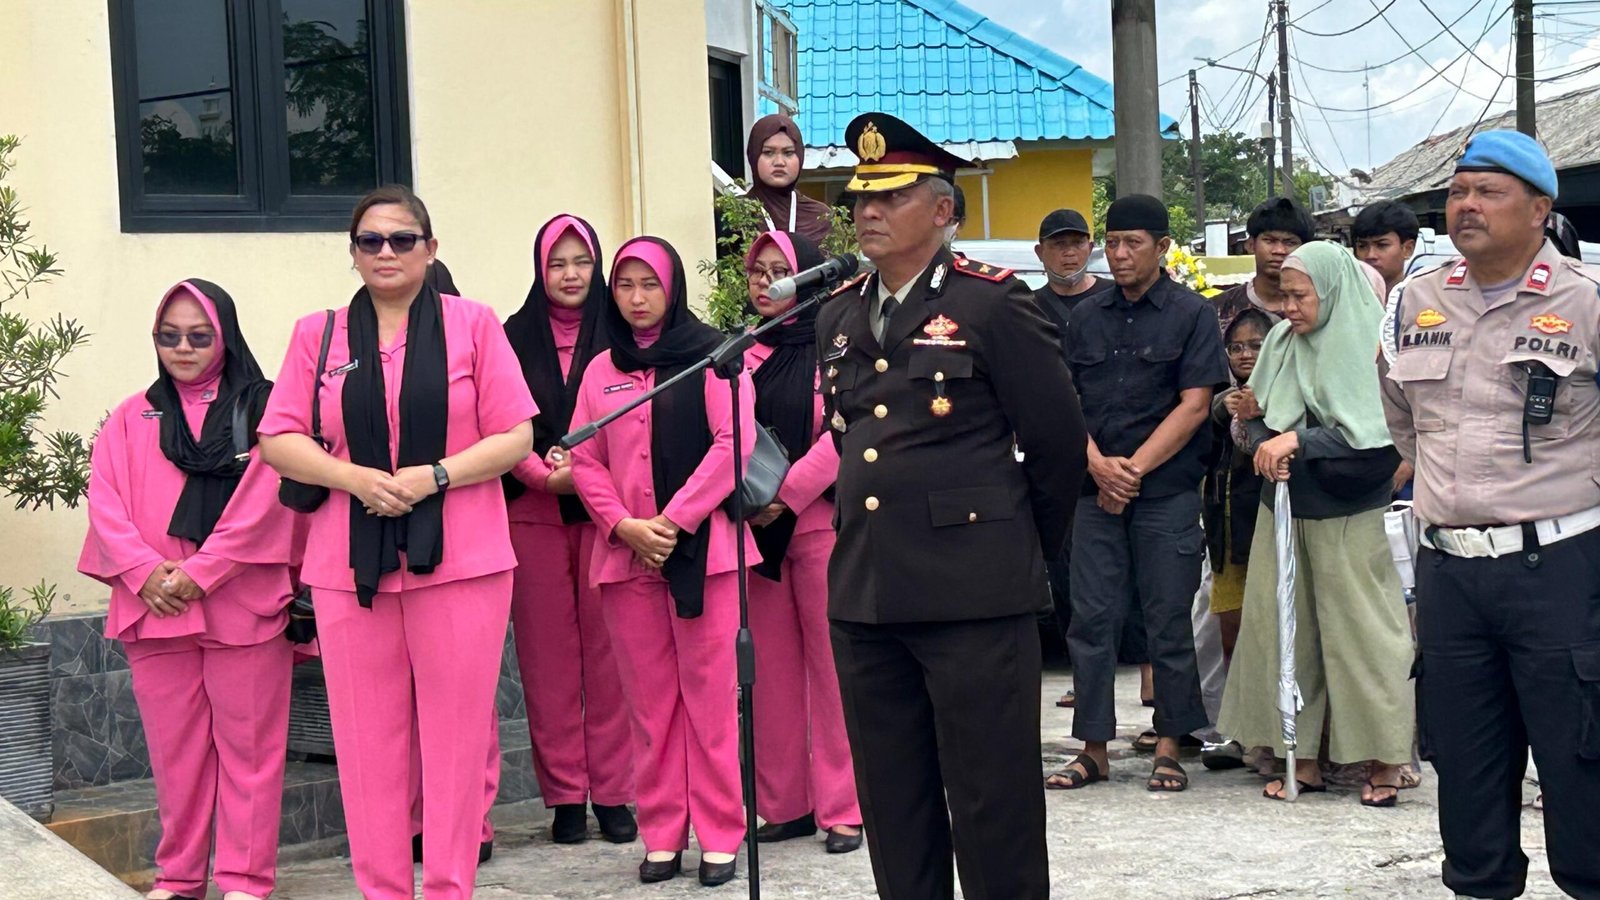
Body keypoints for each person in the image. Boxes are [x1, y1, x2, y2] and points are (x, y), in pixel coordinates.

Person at [817, 112, 1086, 900]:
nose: (867, 211)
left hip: (974, 597)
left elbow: (1057, 446)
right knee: (894, 811)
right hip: (868, 596)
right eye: (860, 197)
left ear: (942, 210)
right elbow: (851, 442)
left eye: (890, 197)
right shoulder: (837, 313)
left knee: (993, 808)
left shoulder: (992, 305)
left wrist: (1012, 553)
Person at [258, 185, 536, 899]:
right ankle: (382, 888)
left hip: (463, 559)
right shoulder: (317, 335)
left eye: (402, 239)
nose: (386, 252)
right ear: (353, 254)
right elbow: (278, 438)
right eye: (370, 241)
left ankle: (448, 886)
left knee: (456, 741)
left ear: (430, 249)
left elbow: (516, 435)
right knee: (365, 744)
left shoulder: (474, 325)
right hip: (350, 564)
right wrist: (352, 477)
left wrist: (436, 475)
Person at [1381, 130, 1600, 899]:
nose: (1466, 206)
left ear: (1540, 210)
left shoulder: (1586, 302)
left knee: (1582, 769)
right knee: (1466, 774)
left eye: (1489, 192)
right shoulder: (1416, 300)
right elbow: (1401, 418)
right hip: (1450, 576)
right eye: (1458, 192)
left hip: (1562, 572)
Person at [78, 279, 295, 900]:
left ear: (225, 337)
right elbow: (105, 501)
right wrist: (144, 573)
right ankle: (179, 877)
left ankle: (245, 879)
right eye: (168, 336)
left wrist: (201, 572)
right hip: (155, 607)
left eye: (199, 337)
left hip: (241, 603)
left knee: (249, 751)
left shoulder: (266, 414)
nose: (182, 348)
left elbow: (269, 503)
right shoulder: (131, 416)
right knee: (176, 754)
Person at [567, 236, 757, 887]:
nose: (638, 297)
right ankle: (663, 834)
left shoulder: (714, 356)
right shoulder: (601, 369)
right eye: (625, 285)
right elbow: (584, 458)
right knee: (650, 709)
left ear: (672, 287)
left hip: (705, 554)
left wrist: (674, 520)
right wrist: (624, 525)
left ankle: (722, 834)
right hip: (627, 558)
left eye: (649, 284)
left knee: (710, 703)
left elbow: (735, 442)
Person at [1217, 241, 1413, 806]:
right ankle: (1299, 758)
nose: (1289, 308)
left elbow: (1377, 440)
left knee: (1365, 639)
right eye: (1284, 296)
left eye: (1301, 296)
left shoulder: (1373, 346)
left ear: (1332, 291)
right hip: (1284, 509)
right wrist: (1264, 437)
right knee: (1284, 634)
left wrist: (1297, 440)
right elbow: (1257, 419)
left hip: (1350, 514)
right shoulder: (1282, 342)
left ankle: (1385, 760)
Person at [1048, 194, 1229, 794]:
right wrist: (1099, 467)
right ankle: (1093, 749)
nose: (1120, 254)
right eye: (1113, 243)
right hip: (1093, 489)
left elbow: (1195, 405)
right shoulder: (1085, 317)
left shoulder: (1192, 314)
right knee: (1091, 620)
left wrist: (1131, 474)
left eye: (1133, 243)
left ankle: (1171, 744)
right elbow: (1065, 403)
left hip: (1165, 493)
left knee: (1167, 619)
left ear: (1162, 247)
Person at [499, 214, 637, 846]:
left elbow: (637, 418)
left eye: (582, 261)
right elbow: (496, 419)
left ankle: (612, 792)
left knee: (610, 656)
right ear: (539, 269)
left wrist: (583, 475)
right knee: (546, 660)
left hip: (607, 512)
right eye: (557, 263)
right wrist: (539, 474)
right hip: (533, 513)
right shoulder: (510, 337)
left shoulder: (624, 333)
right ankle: (564, 798)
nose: (571, 274)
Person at [738, 230, 864, 855]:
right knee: (770, 674)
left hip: (816, 525)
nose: (766, 283)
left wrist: (784, 496)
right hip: (754, 536)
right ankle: (784, 803)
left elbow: (844, 432)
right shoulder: (739, 351)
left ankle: (844, 806)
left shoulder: (834, 346)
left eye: (779, 271)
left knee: (832, 670)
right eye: (757, 272)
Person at [1202, 307, 1274, 669]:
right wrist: (1218, 412)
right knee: (1231, 635)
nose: (1246, 354)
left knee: (1271, 631)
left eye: (1257, 345)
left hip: (1267, 528)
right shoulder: (1216, 395)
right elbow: (1198, 454)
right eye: (1236, 347)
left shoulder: (1285, 390)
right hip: (1225, 535)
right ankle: (1237, 703)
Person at [1213, 196, 1313, 333]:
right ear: (1250, 245)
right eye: (1270, 241)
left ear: (1306, 249)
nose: (1279, 250)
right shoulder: (1218, 309)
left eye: (1290, 242)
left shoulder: (1317, 310)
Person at [746, 113, 834, 244]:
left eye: (788, 153)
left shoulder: (821, 217)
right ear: (753, 155)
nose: (779, 162)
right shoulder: (735, 215)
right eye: (768, 152)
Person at [1032, 207, 1106, 343]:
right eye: (1059, 244)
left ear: (1090, 248)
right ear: (1040, 252)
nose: (1070, 253)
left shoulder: (1114, 296)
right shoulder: (1030, 307)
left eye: (1078, 243)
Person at [1352, 200, 1420, 299]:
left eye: (1381, 245)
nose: (1370, 255)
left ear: (1408, 249)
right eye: (1362, 246)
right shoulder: (1343, 299)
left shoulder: (1422, 300)